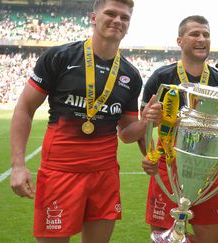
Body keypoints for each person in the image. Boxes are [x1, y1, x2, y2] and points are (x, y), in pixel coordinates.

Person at [9, 1, 162, 242]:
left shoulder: (130, 75)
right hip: (60, 172)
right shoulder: (60, 57)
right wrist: (18, 165)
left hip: (105, 175)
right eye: (110, 13)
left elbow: (127, 134)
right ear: (93, 17)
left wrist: (146, 122)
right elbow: (24, 109)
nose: (117, 20)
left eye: (124, 17)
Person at [140, 15, 218, 243]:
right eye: (195, 34)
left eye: (206, 34)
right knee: (166, 239)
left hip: (210, 173)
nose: (201, 39)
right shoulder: (161, 78)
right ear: (179, 40)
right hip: (168, 171)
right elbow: (145, 126)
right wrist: (149, 156)